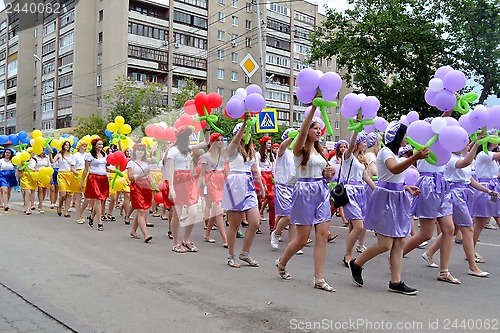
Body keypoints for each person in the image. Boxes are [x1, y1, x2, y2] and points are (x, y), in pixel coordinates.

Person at [348, 121, 428, 295]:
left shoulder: (394, 153)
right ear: (398, 136)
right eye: (405, 135)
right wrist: (415, 157)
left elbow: (393, 176)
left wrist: (405, 187)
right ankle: (356, 264)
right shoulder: (385, 152)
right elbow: (393, 169)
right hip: (385, 199)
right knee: (385, 244)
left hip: (397, 197)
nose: (407, 138)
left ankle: (396, 281)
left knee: (400, 241)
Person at [275, 107, 336, 292]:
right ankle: (282, 262)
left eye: (319, 128)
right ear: (307, 130)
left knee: (323, 236)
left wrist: (329, 175)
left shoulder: (320, 152)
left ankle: (319, 278)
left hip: (321, 191)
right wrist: (314, 108)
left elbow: (326, 175)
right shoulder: (299, 150)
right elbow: (301, 131)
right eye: (314, 128)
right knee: (302, 239)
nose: (318, 131)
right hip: (304, 192)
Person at [423, 138, 493, 277]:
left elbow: (469, 180)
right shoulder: (449, 158)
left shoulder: (460, 157)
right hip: (455, 195)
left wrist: (488, 191)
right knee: (468, 228)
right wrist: (477, 144)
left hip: (463, 194)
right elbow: (465, 163)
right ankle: (472, 266)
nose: (467, 145)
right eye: (463, 144)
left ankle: (429, 252)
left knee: (453, 230)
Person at [223, 115, 266, 267]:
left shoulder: (251, 151)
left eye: (249, 132)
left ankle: (245, 253)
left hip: (248, 185)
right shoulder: (232, 150)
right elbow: (235, 141)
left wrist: (261, 186)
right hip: (235, 183)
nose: (247, 135)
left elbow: (254, 170)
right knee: (234, 224)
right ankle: (230, 255)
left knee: (254, 222)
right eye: (243, 133)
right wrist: (244, 125)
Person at [167, 125, 210, 253]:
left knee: (193, 213)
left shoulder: (188, 149)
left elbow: (206, 142)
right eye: (190, 135)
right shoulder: (172, 150)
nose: (192, 137)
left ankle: (186, 239)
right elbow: (170, 171)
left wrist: (207, 128)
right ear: (184, 137)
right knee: (177, 214)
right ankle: (175, 242)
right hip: (178, 181)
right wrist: (171, 188)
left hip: (188, 181)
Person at [342, 131, 376, 266]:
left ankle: (348, 252)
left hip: (360, 192)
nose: (366, 144)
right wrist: (356, 129)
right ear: (357, 143)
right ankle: (347, 255)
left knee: (353, 226)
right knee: (358, 226)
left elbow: (365, 177)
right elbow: (350, 144)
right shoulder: (348, 156)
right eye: (363, 142)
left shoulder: (361, 159)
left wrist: (377, 190)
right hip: (350, 191)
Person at [270, 129, 298, 252]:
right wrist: (293, 137)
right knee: (287, 216)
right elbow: (282, 146)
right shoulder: (283, 152)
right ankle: (276, 233)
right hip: (282, 187)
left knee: (293, 219)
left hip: (294, 188)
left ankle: (293, 244)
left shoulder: (297, 154)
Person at [198, 133, 228, 246]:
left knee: (216, 211)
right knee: (219, 211)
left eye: (221, 140)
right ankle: (225, 239)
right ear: (213, 142)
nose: (220, 142)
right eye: (217, 140)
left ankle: (207, 233)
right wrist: (200, 186)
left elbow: (226, 170)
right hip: (212, 181)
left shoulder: (224, 155)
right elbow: (202, 173)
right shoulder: (206, 156)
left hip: (222, 181)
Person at [80, 138, 109, 231]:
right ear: (95, 145)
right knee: (97, 200)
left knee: (101, 199)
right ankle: (100, 222)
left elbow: (105, 168)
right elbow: (86, 169)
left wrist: (114, 171)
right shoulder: (89, 155)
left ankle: (92, 217)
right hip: (94, 178)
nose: (101, 146)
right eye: (99, 144)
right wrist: (82, 181)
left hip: (103, 178)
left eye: (102, 144)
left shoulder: (104, 154)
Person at [127, 143, 153, 243]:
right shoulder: (131, 163)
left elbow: (148, 175)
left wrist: (151, 181)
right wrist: (143, 175)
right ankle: (146, 235)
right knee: (141, 211)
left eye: (142, 150)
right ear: (135, 151)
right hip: (136, 187)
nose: (140, 152)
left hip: (146, 186)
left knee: (142, 209)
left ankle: (133, 230)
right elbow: (130, 177)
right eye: (138, 150)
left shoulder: (146, 163)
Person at [50, 140, 77, 218]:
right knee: (63, 194)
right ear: (63, 146)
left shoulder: (72, 155)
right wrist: (50, 154)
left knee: (69, 194)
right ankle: (59, 205)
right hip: (61, 174)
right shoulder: (59, 155)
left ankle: (66, 211)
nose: (67, 146)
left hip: (70, 175)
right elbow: (52, 161)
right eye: (66, 145)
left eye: (68, 145)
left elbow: (74, 165)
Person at [256, 135, 275, 232]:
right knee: (258, 202)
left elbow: (274, 168)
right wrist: (261, 180)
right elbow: (256, 168)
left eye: (270, 143)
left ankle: (272, 227)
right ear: (264, 144)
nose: (270, 145)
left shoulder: (271, 155)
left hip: (270, 179)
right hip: (261, 178)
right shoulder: (257, 155)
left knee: (273, 203)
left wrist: (275, 179)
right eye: (268, 143)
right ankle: (255, 225)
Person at [72, 141, 88, 224]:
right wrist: (77, 173)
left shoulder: (88, 155)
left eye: (86, 146)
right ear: (79, 147)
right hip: (78, 175)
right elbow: (72, 167)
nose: (85, 147)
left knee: (88, 197)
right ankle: (79, 216)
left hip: (87, 175)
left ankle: (81, 212)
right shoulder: (75, 156)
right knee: (78, 197)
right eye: (83, 146)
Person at [17, 148, 36, 214]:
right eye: (31, 153)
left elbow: (35, 169)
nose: (32, 154)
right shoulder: (22, 161)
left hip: (32, 176)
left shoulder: (34, 161)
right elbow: (19, 169)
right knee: (28, 192)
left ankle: (28, 206)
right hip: (25, 177)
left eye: (33, 153)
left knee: (31, 192)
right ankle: (27, 209)